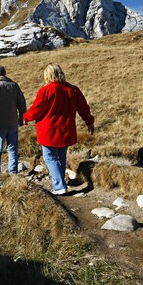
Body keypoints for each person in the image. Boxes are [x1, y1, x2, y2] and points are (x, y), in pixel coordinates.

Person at [23, 63, 95, 195]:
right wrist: (89, 122)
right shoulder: (73, 90)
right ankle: (60, 183)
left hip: (49, 131)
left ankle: (59, 186)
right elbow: (83, 108)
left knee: (49, 156)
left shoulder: (46, 90)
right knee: (61, 156)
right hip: (66, 130)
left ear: (47, 75)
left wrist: (25, 118)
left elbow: (36, 110)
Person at [0, 65, 26, 173]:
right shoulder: (14, 85)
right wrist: (22, 118)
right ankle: (13, 172)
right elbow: (21, 103)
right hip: (13, 122)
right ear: (5, 73)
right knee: (12, 149)